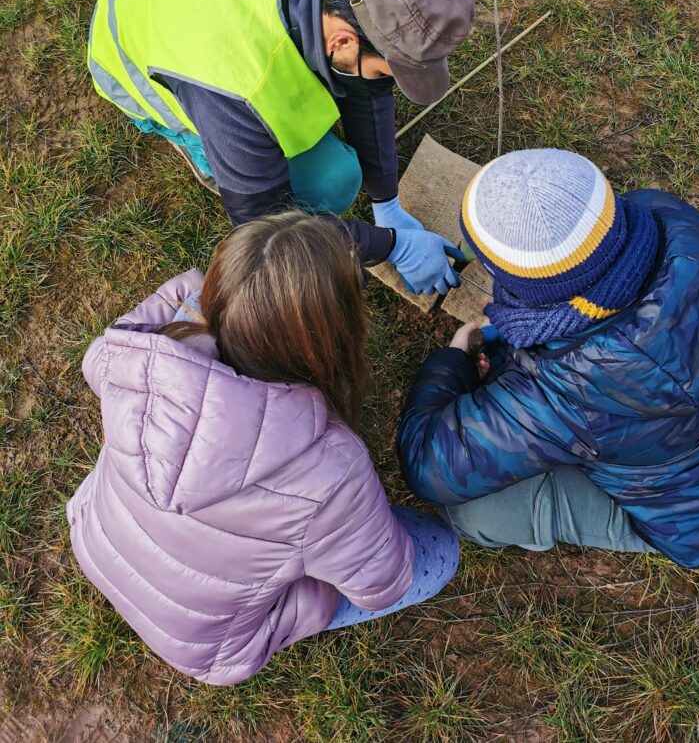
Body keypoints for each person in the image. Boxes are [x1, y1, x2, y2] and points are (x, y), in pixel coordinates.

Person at [67, 214, 458, 686]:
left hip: (94, 537)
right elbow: (383, 584)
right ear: (327, 338)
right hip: (212, 649)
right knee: (438, 550)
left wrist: (211, 296)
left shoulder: (132, 355)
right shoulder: (329, 470)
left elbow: (149, 319)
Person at [86, 0, 474, 296]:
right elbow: (269, 230)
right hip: (131, 37)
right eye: (387, 72)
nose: (388, 85)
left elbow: (367, 91)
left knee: (344, 100)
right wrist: (391, 246)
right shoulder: (230, 82)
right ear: (341, 41)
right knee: (330, 184)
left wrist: (387, 201)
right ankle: (199, 146)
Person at [397, 149, 699, 569]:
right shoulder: (671, 218)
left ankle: (548, 523)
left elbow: (428, 464)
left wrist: (452, 361)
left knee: (470, 513)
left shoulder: (565, 387)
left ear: (527, 284)